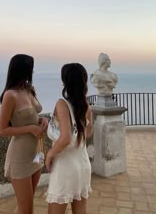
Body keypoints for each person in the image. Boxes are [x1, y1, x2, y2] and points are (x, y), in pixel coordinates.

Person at [0, 54, 48, 214]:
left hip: (38, 151)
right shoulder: (10, 95)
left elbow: (31, 115)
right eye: (30, 68)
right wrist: (30, 129)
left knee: (29, 202)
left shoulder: (29, 90)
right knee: (26, 209)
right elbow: (3, 130)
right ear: (23, 70)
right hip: (20, 156)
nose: (33, 71)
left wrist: (42, 120)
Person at [46, 63, 93, 214]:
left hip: (65, 165)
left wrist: (50, 154)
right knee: (80, 210)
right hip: (83, 163)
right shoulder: (86, 105)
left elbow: (65, 137)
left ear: (65, 81)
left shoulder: (62, 104)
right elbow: (88, 133)